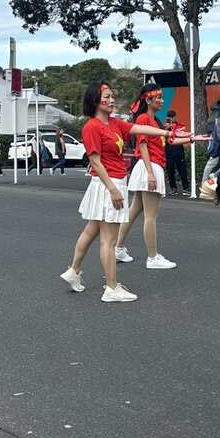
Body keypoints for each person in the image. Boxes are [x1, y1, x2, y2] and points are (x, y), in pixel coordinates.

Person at [60, 81, 181, 302]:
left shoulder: (115, 124)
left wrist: (167, 132)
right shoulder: (92, 127)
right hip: (108, 184)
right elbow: (95, 162)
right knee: (108, 239)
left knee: (91, 231)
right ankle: (111, 288)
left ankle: (73, 271)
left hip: (111, 184)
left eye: (112, 96)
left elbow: (140, 129)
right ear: (95, 100)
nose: (112, 100)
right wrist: (114, 190)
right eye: (106, 96)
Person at [115, 84, 197, 270]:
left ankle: (118, 248)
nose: (161, 100)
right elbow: (142, 146)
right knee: (151, 215)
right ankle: (152, 257)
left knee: (134, 210)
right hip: (149, 167)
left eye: (161, 97)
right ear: (148, 99)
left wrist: (192, 139)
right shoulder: (144, 118)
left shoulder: (155, 121)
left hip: (149, 167)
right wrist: (150, 174)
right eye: (158, 97)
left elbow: (170, 140)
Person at [163, 110, 189, 194]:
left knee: (182, 170)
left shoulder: (179, 126)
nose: (170, 119)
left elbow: (183, 131)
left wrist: (174, 127)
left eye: (172, 117)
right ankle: (173, 188)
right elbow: (162, 134)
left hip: (179, 151)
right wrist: (167, 127)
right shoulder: (164, 126)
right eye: (169, 117)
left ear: (175, 117)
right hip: (169, 151)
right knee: (170, 171)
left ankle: (186, 188)